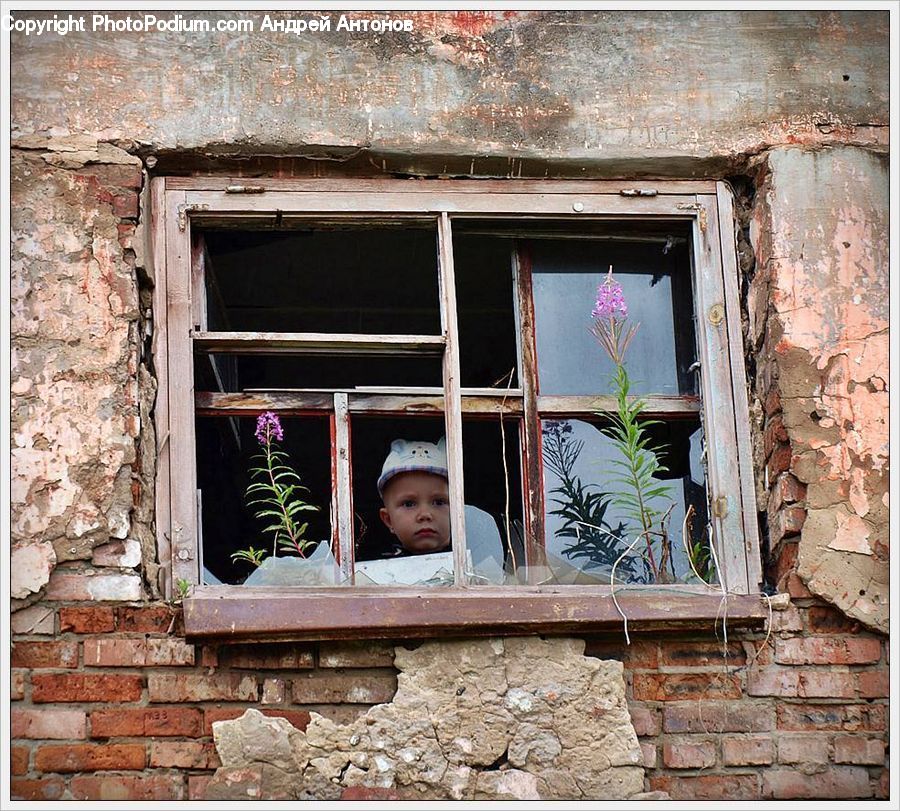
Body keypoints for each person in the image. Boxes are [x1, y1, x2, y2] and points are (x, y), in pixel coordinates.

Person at [377, 438, 451, 556]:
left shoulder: (475, 562)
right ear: (388, 520)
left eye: (439, 502)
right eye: (409, 504)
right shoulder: (378, 570)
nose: (425, 515)